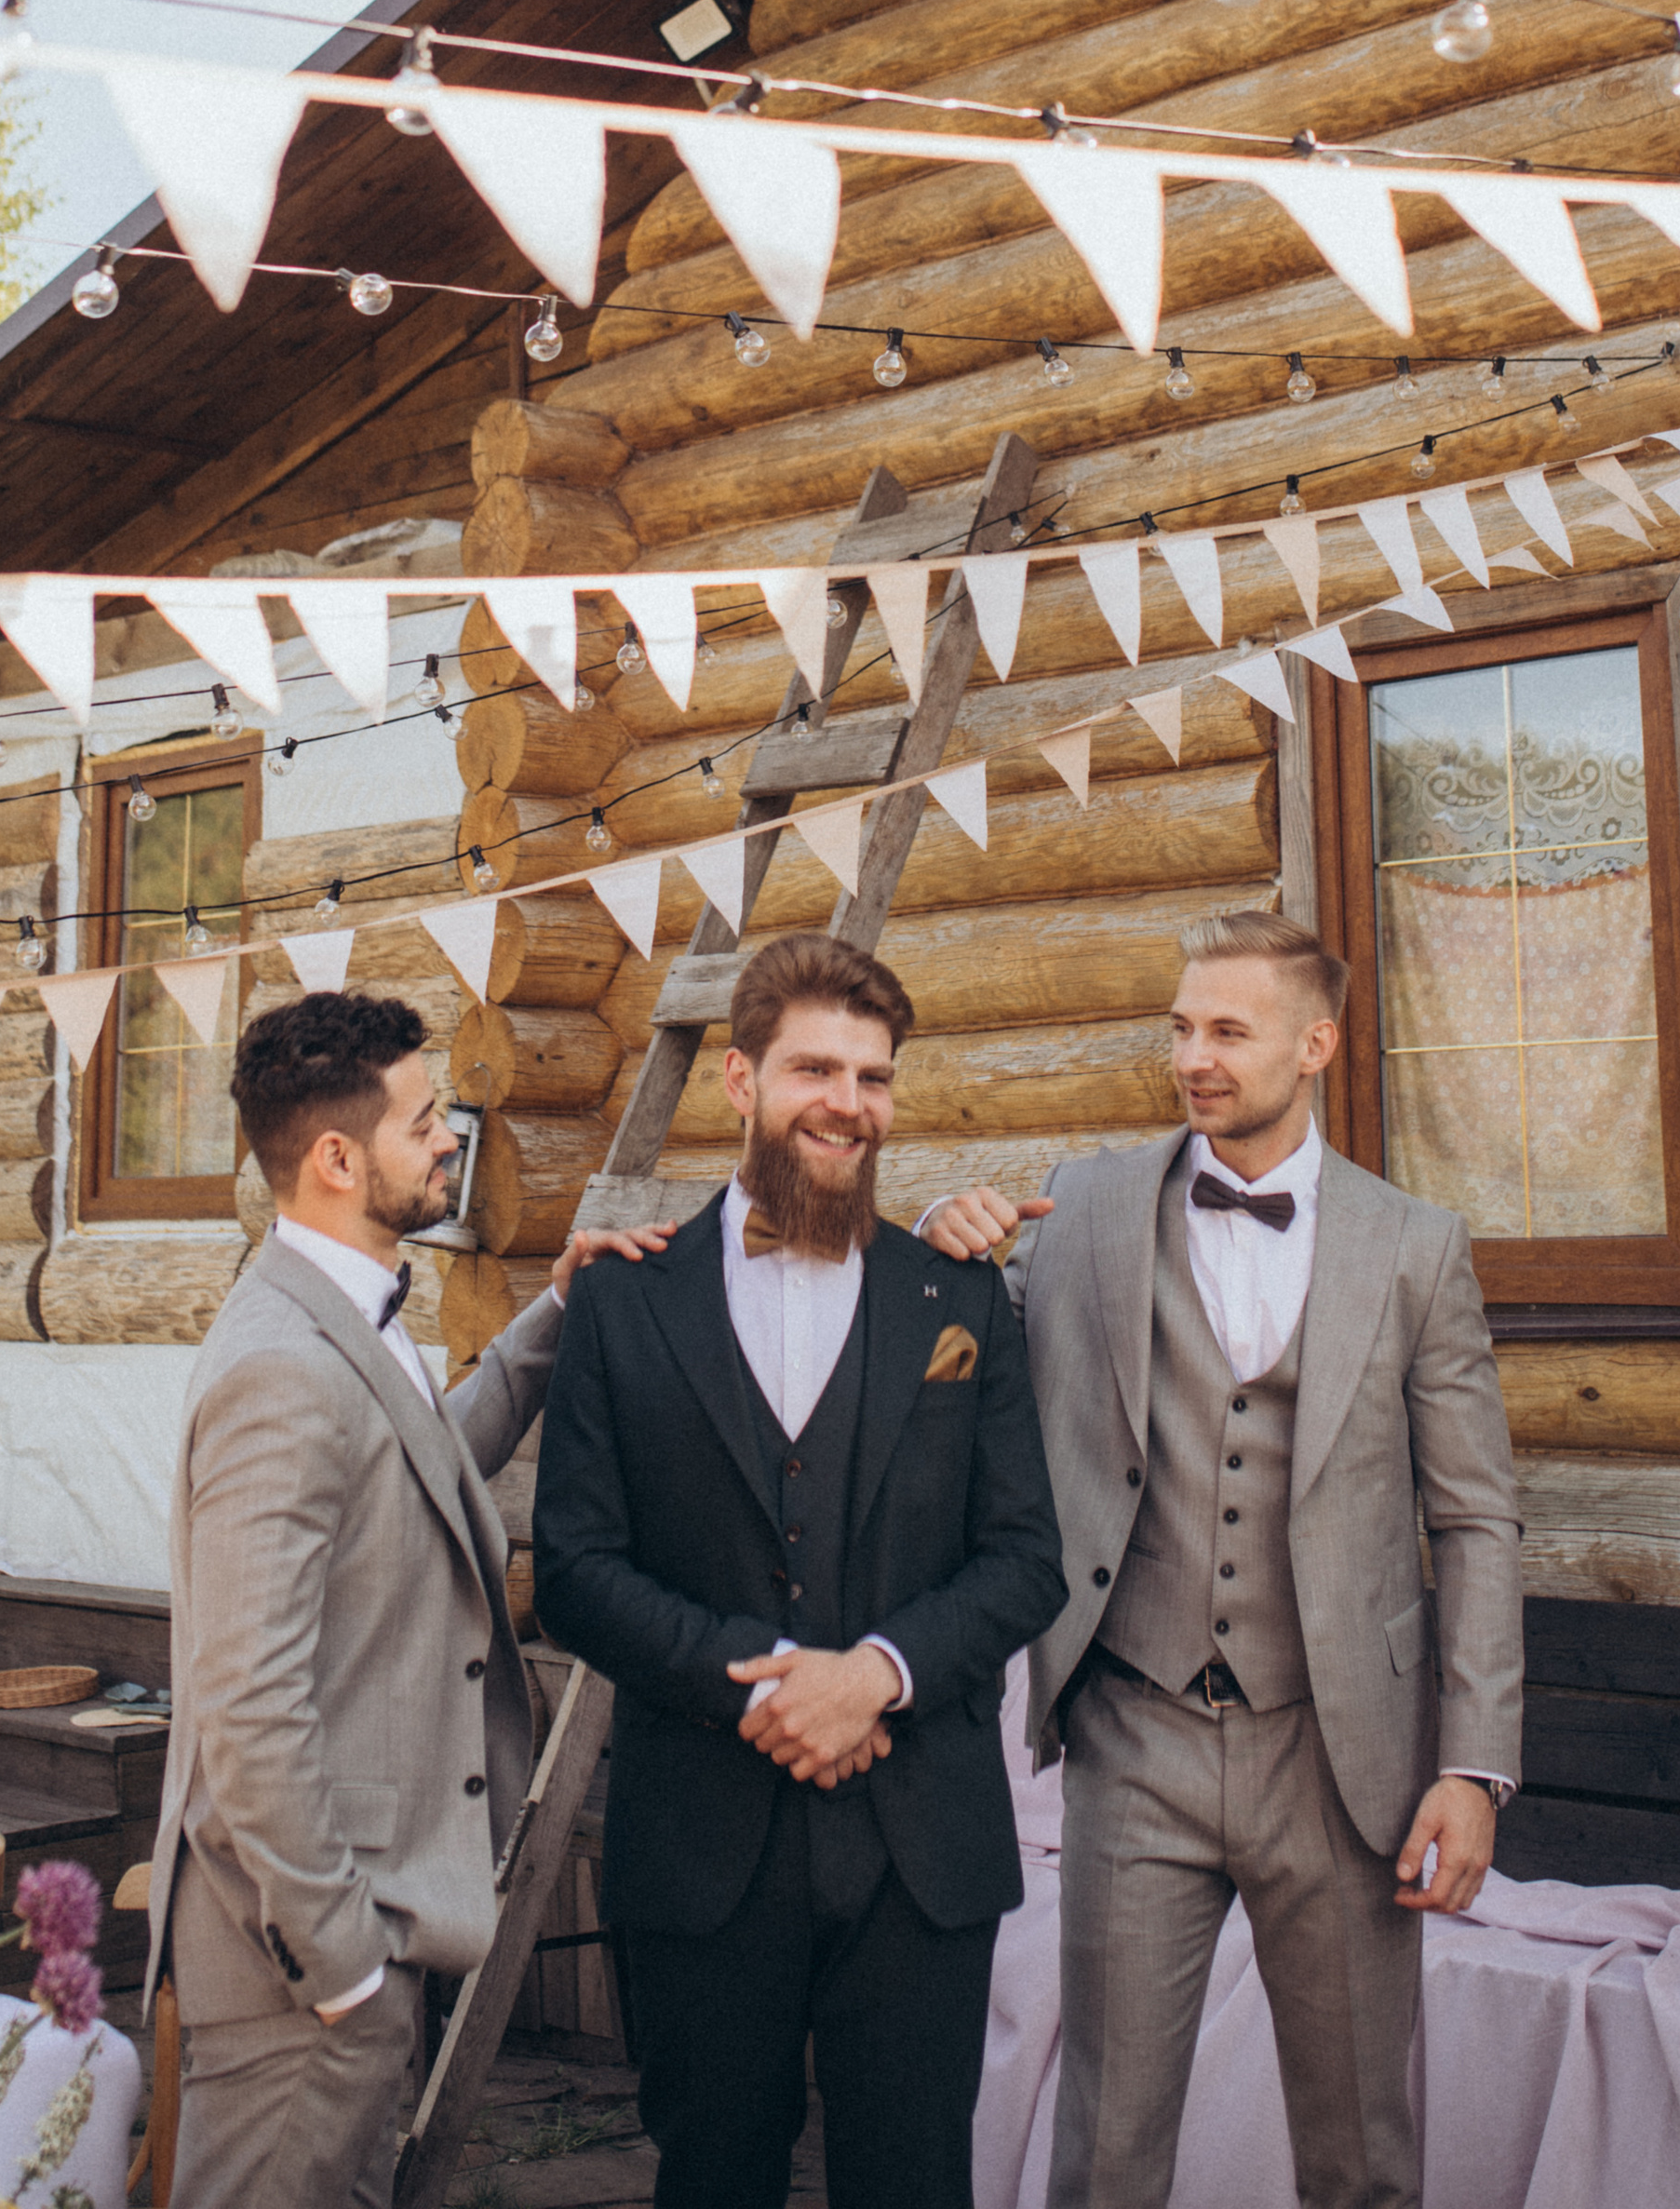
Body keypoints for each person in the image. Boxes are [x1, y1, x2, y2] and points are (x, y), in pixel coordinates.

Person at [921, 910, 1523, 2209]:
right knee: (1105, 2156)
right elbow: (965, 1400)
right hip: (1136, 1732)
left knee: (1363, 2159)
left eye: (1228, 1032)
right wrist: (944, 1254)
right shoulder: (1079, 1208)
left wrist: (1472, 1767)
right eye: (1182, 1027)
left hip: (1342, 1753)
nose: (1194, 1056)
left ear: (1313, 1045)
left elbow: (1474, 1517)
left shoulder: (1417, 1245)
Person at [532, 929, 1068, 2209]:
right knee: (714, 2177)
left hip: (921, 1842)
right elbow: (575, 1568)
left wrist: (875, 1677)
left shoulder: (960, 1299)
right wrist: (765, 1693)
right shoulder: (621, 1302)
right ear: (740, 1082)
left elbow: (1025, 1560)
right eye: (816, 1069)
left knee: (915, 2183)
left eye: (874, 1078)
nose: (848, 1103)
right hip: (704, 1839)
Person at [149, 986, 669, 2209]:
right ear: (337, 1158)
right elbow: (244, 1700)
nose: (452, 1139)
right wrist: (341, 1966)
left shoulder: (341, 1318)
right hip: (305, 1966)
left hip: (359, 1935)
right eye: (426, 1118)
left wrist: (557, 1314)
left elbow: (423, 1466)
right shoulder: (279, 1369)